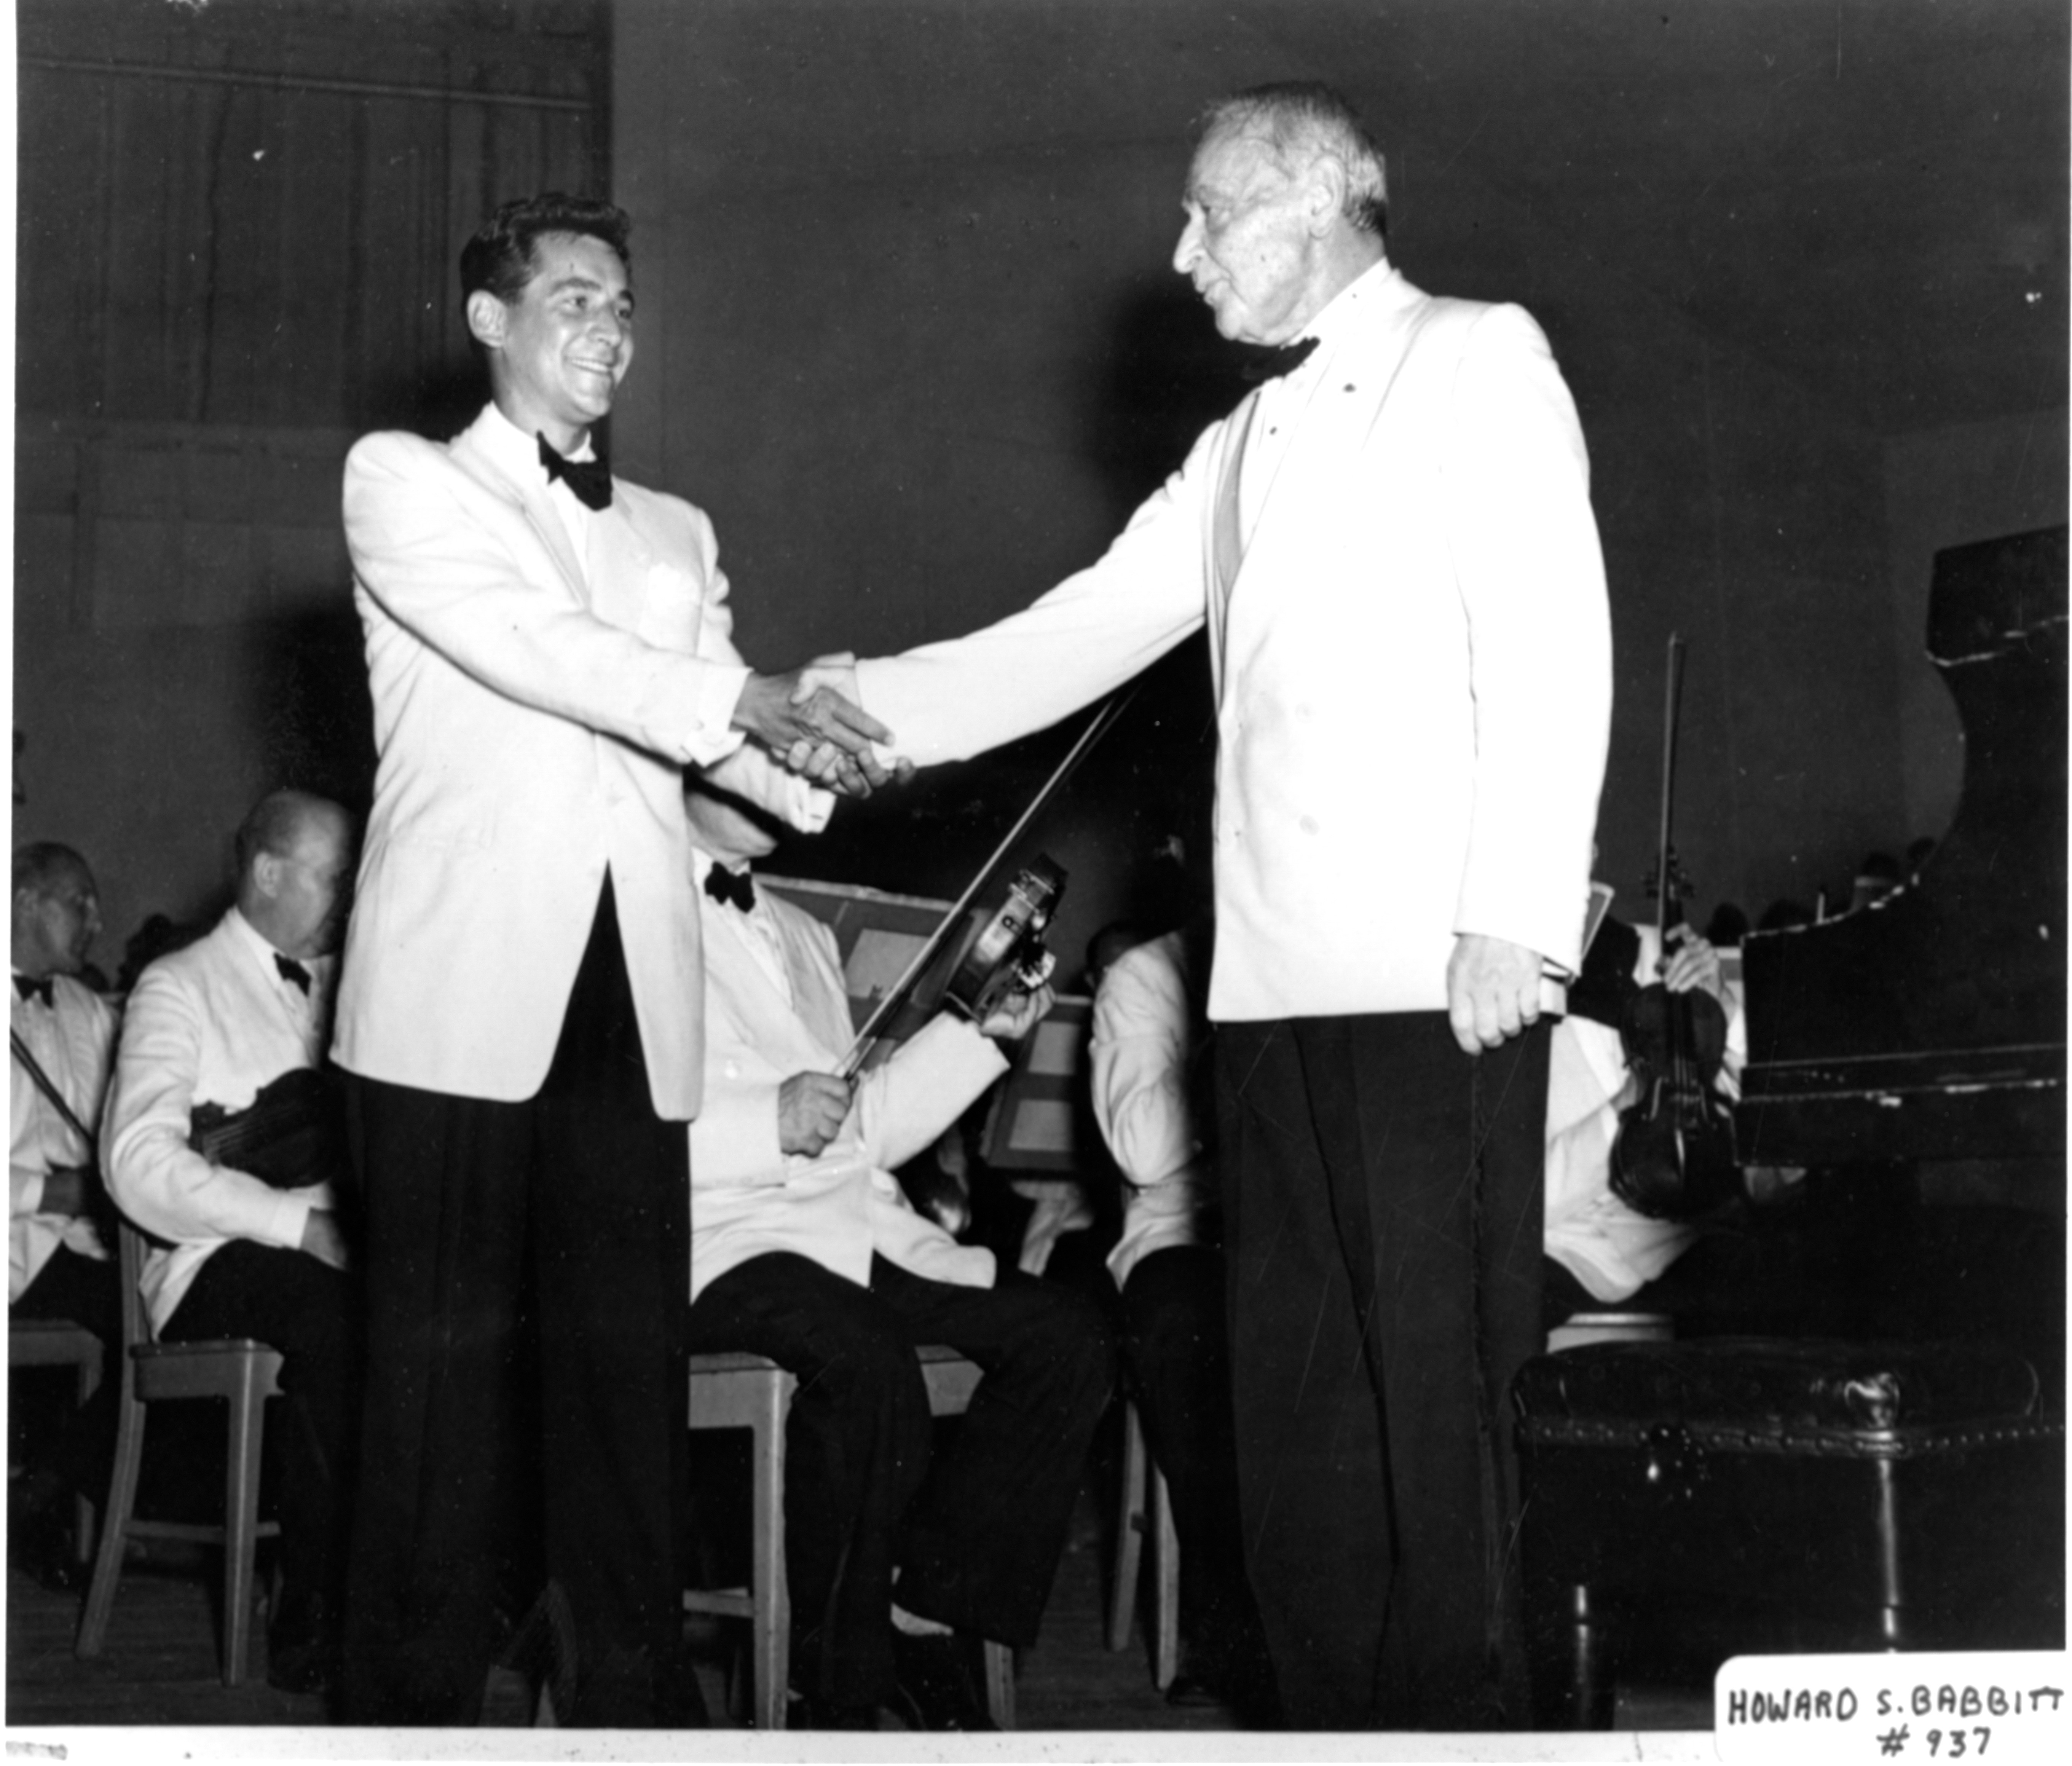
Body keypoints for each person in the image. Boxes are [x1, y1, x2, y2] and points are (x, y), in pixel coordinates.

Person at [817, 83, 1613, 1726]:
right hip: (1263, 993)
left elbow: (1550, 638)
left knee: (1434, 1409)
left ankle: (1467, 1737)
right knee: (1300, 1410)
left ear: (1313, 203)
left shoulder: (1476, 353)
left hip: (1430, 970)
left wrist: (1511, 916)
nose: (1178, 256)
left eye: (1206, 216)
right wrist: (850, 701)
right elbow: (1073, 627)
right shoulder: (1232, 445)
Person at [331, 193, 894, 1726]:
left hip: (628, 1006)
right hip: (452, 1006)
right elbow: (543, 653)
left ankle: (637, 1725)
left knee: (620, 1409)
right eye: (574, 295)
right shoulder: (404, 482)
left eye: (626, 303)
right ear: (489, 320)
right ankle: (405, 1726)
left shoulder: (675, 529)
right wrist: (743, 705)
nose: (609, 324)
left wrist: (842, 754)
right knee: (435, 1416)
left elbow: (723, 776)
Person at [680, 774, 1113, 1730]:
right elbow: (605, 1131)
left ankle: (922, 1611)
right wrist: (767, 1121)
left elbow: (862, 1130)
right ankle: (832, 1686)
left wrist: (977, 1037)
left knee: (1067, 1336)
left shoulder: (797, 931)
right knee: (863, 1351)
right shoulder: (618, 913)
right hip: (715, 1238)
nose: (776, 785)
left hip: (848, 1232)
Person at [102, 790, 361, 1694]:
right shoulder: (179, 983)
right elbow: (136, 1162)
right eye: (337, 874)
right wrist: (300, 1223)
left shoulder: (349, 984)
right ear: (267, 871)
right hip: (211, 1260)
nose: (352, 894)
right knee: (343, 1315)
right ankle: (317, 1614)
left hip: (331, 1253)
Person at [1085, 920, 1273, 1721]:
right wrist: (1227, 1039)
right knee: (1187, 1326)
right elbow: (1142, 1149)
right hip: (1182, 1232)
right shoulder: (1143, 975)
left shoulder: (1311, 949)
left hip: (1294, 1229)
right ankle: (1228, 1630)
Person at [9, 842, 120, 1590]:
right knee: (151, 1320)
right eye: (77, 902)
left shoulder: (90, 1010)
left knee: (181, 1310)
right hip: (18, 1238)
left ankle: (43, 1486)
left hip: (87, 1242)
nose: (96, 920)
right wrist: (53, 1195)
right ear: (22, 900)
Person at [1543, 920, 1742, 1323]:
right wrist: (1632, 1097)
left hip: (1649, 1244)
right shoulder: (1514, 989)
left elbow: (1757, 1115)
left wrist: (1722, 1008)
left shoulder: (1653, 948)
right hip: (1562, 1245)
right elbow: (1531, 1201)